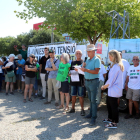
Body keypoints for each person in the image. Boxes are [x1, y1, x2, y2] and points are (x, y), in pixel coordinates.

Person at [101, 50, 124, 129]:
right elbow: (110, 79)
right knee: (109, 104)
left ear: (114, 57)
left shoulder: (116, 67)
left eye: (110, 56)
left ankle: (114, 122)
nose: (109, 57)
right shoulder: (114, 66)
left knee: (113, 106)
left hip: (114, 90)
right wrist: (106, 85)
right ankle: (110, 118)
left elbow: (111, 80)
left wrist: (104, 86)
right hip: (112, 90)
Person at [80, 44, 101, 126]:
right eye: (87, 51)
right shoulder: (87, 60)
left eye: (89, 51)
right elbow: (85, 70)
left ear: (93, 51)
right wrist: (83, 67)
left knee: (93, 100)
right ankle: (91, 114)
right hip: (87, 81)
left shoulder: (97, 60)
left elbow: (96, 71)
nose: (87, 53)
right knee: (90, 99)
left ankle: (94, 117)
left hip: (94, 81)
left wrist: (86, 69)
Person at [68, 50, 85, 116]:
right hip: (73, 81)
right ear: (75, 54)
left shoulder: (83, 62)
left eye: (79, 53)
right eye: (77, 53)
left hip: (80, 81)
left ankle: (82, 110)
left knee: (81, 96)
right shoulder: (72, 62)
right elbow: (70, 71)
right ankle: (72, 109)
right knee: (73, 95)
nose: (78, 54)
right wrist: (69, 74)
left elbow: (84, 72)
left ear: (81, 54)